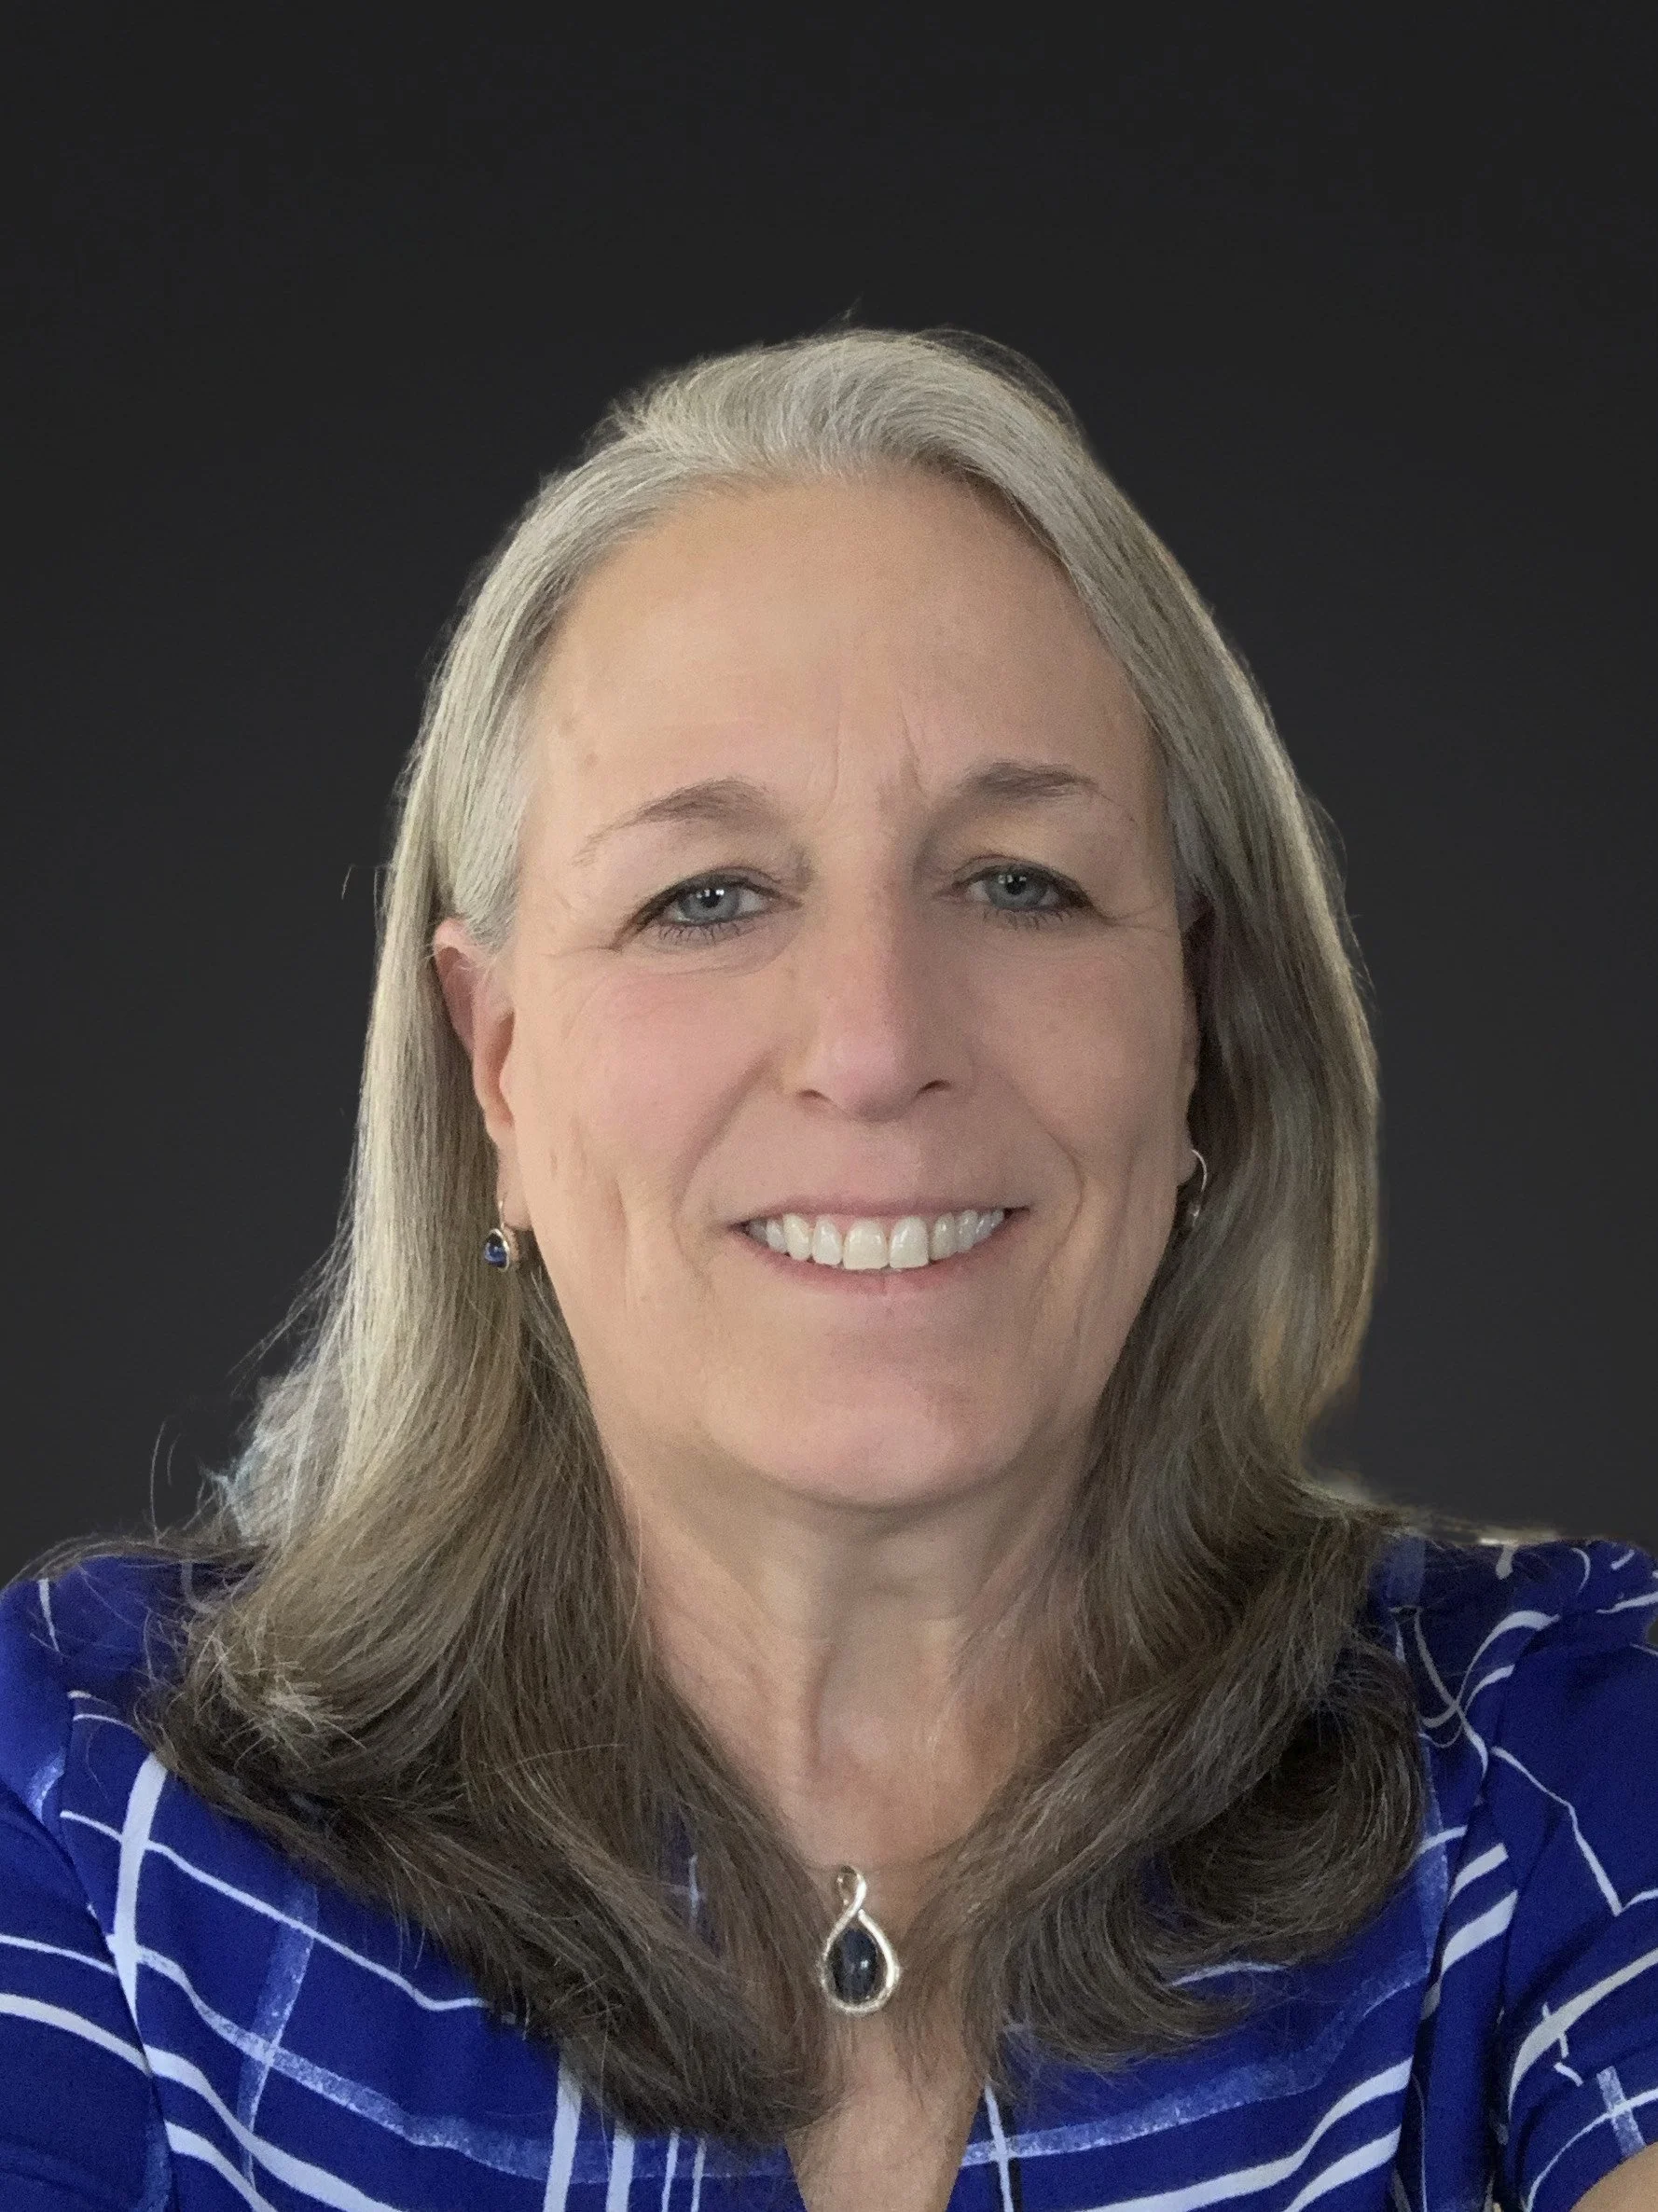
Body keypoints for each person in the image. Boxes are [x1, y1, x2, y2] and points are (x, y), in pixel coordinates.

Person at [1, 328, 1654, 2212]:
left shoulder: (1561, 1755)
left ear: (1198, 1025)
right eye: (706, 896)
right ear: (500, 1074)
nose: (871, 1043)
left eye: (1019, 880)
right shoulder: (82, 1816)